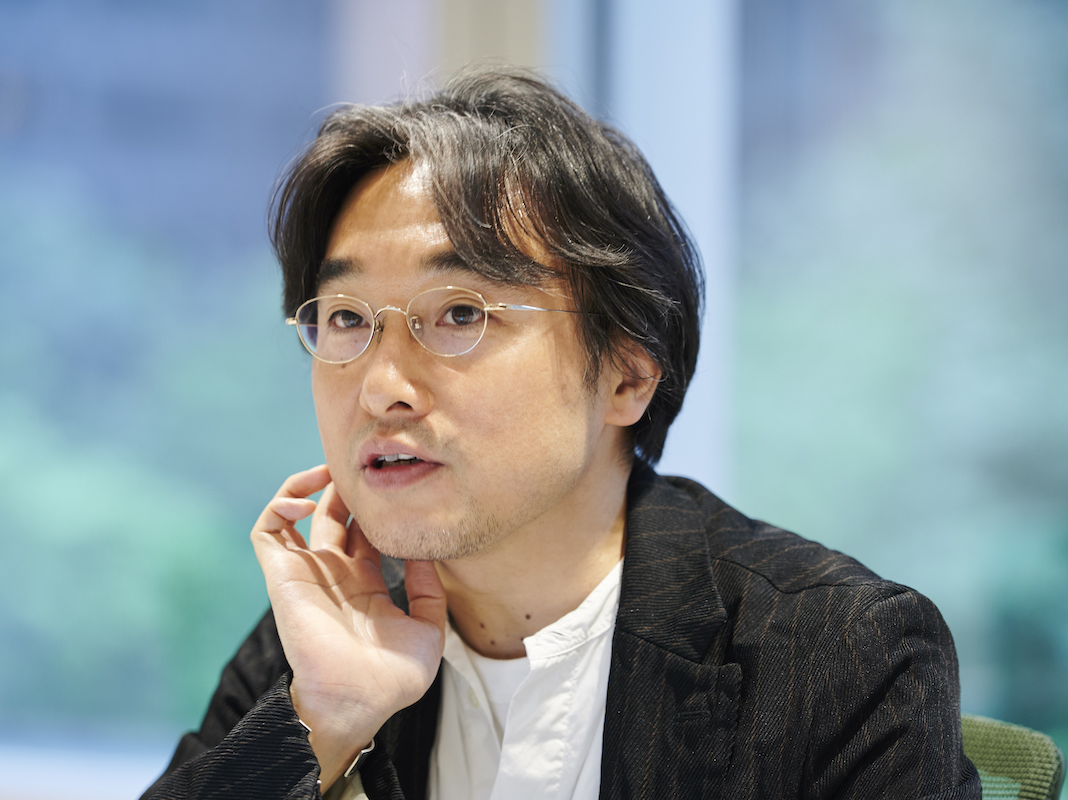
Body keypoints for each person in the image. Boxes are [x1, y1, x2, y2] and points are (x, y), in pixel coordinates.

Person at [142, 69, 981, 800]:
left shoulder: (837, 655)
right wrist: (323, 721)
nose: (381, 387)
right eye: (347, 318)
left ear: (627, 374)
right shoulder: (329, 634)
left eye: (460, 313)